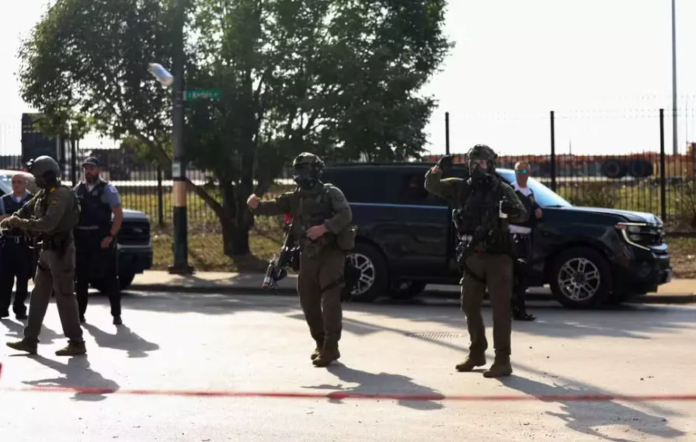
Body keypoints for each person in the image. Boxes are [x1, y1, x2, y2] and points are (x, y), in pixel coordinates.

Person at [424, 145, 528, 378]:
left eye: (482, 163)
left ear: (490, 164)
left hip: (499, 257)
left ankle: (502, 360)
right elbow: (432, 186)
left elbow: (522, 213)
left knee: (501, 309)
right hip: (473, 256)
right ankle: (477, 352)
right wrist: (438, 169)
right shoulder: (463, 187)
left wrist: (511, 209)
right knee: (469, 305)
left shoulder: (502, 189)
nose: (478, 167)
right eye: (474, 162)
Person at [247, 153, 354, 367]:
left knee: (330, 300)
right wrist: (255, 205)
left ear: (316, 170)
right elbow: (273, 206)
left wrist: (324, 228)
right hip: (308, 254)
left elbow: (345, 214)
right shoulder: (295, 196)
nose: (301, 174)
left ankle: (331, 347)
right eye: (298, 170)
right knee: (308, 300)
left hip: (331, 253)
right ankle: (320, 342)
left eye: (305, 169)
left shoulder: (330, 192)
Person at [2, 156, 86, 356]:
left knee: (65, 296)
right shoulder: (43, 194)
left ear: (47, 175)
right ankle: (30, 339)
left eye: (37, 176)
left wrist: (19, 223)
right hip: (46, 250)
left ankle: (76, 342)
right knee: (38, 294)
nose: (35, 180)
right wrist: (13, 219)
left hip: (61, 251)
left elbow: (48, 224)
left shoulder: (60, 195)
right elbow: (26, 209)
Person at [74, 157, 124, 325]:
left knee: (110, 278)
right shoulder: (78, 189)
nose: (88, 172)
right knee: (81, 279)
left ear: (98, 170)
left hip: (102, 239)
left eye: (92, 168)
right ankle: (80, 315)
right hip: (82, 239)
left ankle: (116, 314)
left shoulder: (107, 189)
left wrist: (110, 236)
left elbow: (118, 215)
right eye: (86, 169)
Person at [510, 161, 543, 321]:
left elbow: (534, 209)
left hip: (526, 238)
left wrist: (538, 212)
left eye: (523, 172)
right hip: (514, 237)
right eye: (518, 172)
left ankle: (520, 310)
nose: (520, 175)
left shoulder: (529, 192)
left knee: (523, 276)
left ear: (529, 174)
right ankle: (515, 310)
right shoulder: (511, 190)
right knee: (515, 275)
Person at [0, 173, 34, 319]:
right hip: (7, 243)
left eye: (19, 182)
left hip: (24, 244)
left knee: (23, 278)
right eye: (14, 182)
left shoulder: (32, 200)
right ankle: (3, 308)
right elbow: (1, 219)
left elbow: (36, 220)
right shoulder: (4, 200)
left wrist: (13, 219)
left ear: (25, 183)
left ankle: (19, 308)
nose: (16, 185)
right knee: (5, 278)